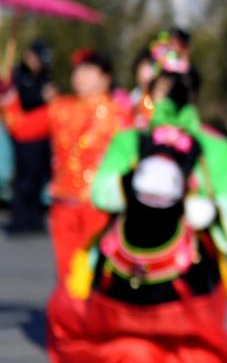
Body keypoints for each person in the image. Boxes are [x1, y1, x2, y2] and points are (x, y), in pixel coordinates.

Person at [46, 36, 227, 363]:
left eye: (178, 85)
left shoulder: (213, 145)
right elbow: (103, 192)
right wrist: (138, 191)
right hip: (135, 272)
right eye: (162, 85)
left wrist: (212, 211)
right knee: (134, 351)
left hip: (192, 277)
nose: (170, 94)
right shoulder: (130, 139)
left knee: (198, 356)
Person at [1, 49, 132, 281]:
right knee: (67, 276)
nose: (80, 76)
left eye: (88, 70)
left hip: (100, 207)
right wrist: (7, 95)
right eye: (78, 71)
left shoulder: (120, 113)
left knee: (99, 276)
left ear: (106, 78)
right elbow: (21, 127)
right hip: (63, 205)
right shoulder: (61, 108)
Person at [5, 39, 55, 234]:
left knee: (38, 178)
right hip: (24, 135)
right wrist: (41, 97)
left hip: (43, 134)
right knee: (24, 179)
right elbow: (21, 101)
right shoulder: (17, 75)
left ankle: (34, 219)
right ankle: (19, 219)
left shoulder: (45, 76)